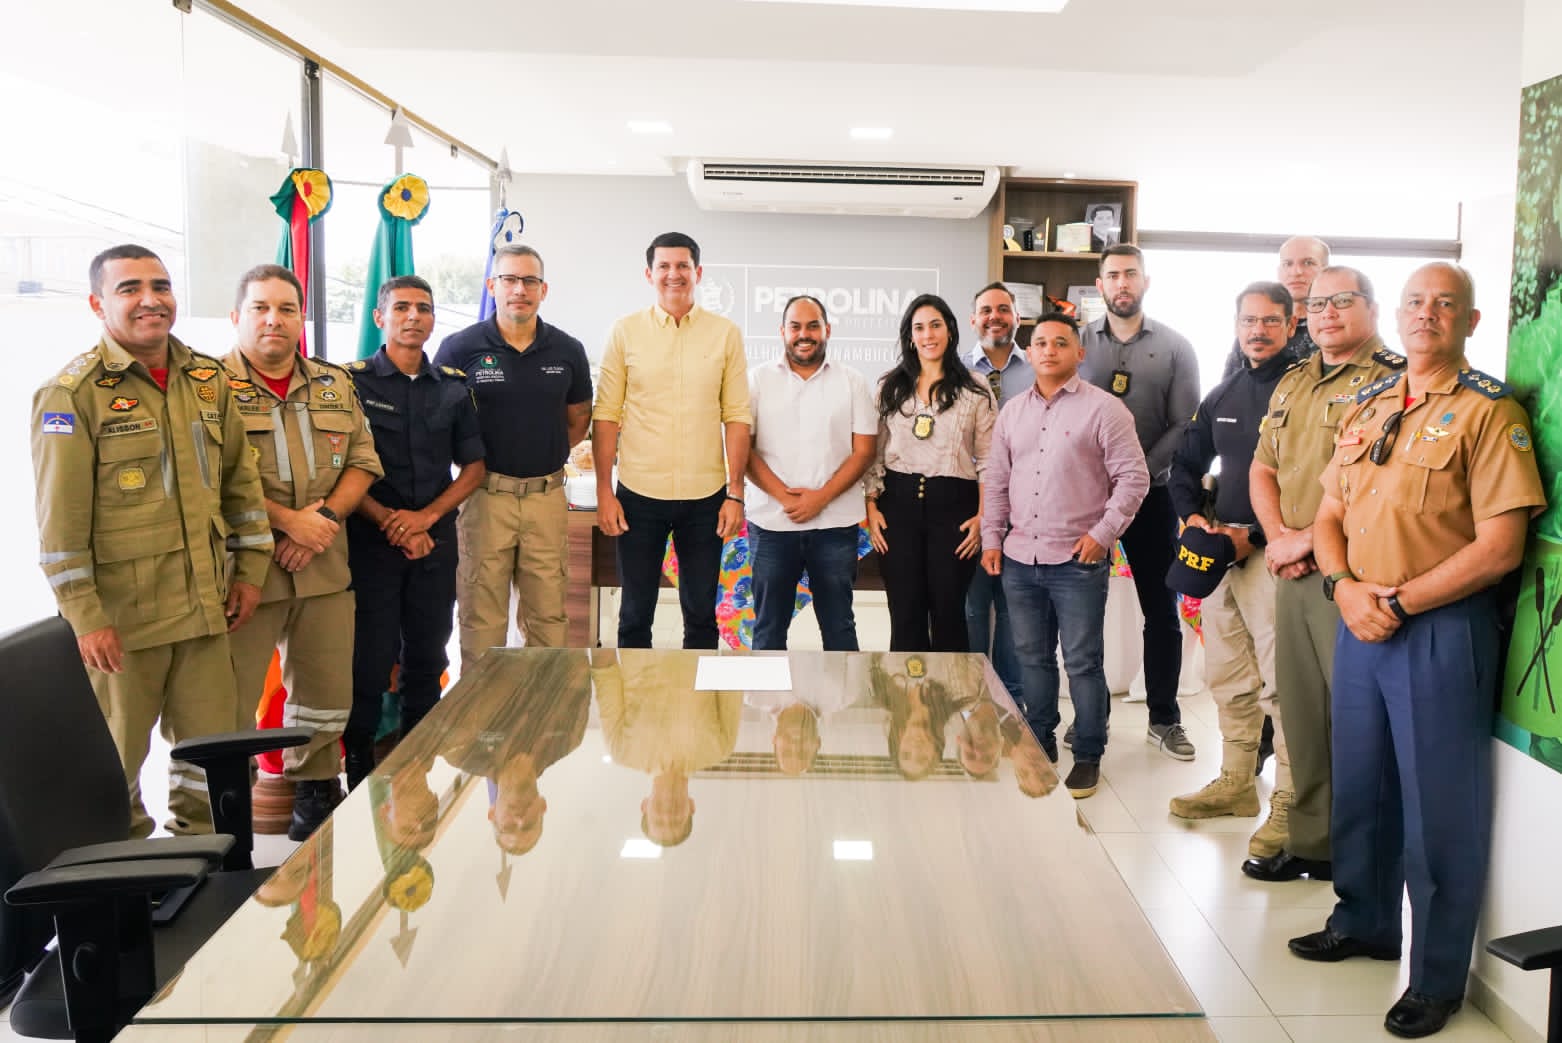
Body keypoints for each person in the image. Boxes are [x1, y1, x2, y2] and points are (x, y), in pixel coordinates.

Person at [1288, 263, 1544, 1040]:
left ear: (1469, 321)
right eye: (1415, 302)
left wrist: (1398, 600)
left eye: (1445, 304)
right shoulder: (1368, 404)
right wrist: (1342, 587)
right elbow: (1327, 514)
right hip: (1359, 617)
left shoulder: (1490, 413)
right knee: (1360, 787)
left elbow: (1501, 547)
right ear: (1396, 317)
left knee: (1440, 811)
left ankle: (1436, 976)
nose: (1427, 314)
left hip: (1438, 627)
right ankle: (1364, 920)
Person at [31, 244, 273, 838]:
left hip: (205, 611)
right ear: (97, 303)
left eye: (160, 286)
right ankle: (129, 890)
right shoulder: (72, 396)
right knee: (113, 767)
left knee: (213, 760)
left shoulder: (209, 380)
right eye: (130, 288)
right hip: (123, 623)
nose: (150, 300)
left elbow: (242, 486)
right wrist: (87, 619)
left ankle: (205, 871)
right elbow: (59, 530)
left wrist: (250, 574)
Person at [1243, 266, 1406, 884]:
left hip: (1353, 570)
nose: (1327, 313)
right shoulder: (1294, 380)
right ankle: (1312, 844)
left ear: (1371, 306)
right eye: (1316, 304)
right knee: (1303, 714)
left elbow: (1383, 485)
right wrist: (1282, 540)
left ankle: (1363, 864)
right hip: (1291, 569)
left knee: (1358, 723)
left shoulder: (1391, 380)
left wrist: (1311, 540)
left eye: (1342, 301)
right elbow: (1263, 468)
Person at [223, 263, 383, 841]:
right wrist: (291, 522)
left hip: (323, 566)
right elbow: (206, 476)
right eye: (261, 308)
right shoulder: (205, 388)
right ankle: (226, 810)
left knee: (323, 691)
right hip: (244, 574)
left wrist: (324, 520)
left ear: (300, 318)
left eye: (287, 309)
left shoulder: (334, 383)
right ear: (237, 316)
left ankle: (315, 790)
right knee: (231, 699)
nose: (275, 320)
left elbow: (364, 459)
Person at [982, 311, 1148, 798]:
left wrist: (1104, 533)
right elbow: (995, 480)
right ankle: (1041, 742)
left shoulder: (1105, 410)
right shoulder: (1012, 411)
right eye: (1040, 343)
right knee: (1031, 659)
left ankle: (1090, 753)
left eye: (1060, 343)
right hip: (1019, 558)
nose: (1049, 350)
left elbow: (1133, 480)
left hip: (1078, 560)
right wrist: (992, 539)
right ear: (1028, 353)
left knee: (1082, 662)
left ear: (1080, 353)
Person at [1165, 282, 1297, 856]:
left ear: (1292, 327)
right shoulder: (1226, 392)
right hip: (1223, 555)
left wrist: (1260, 537)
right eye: (1249, 321)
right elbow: (1185, 462)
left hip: (1279, 558)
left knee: (1283, 688)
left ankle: (1291, 803)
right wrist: (1194, 517)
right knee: (1229, 677)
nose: (1258, 331)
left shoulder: (1306, 393)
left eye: (1271, 321)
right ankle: (1237, 783)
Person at [343, 276, 486, 788]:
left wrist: (424, 521)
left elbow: (473, 468)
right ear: (380, 317)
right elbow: (337, 470)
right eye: (401, 307)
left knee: (428, 655)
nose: (413, 317)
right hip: (370, 542)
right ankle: (357, 763)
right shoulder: (350, 383)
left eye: (423, 309)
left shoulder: (452, 384)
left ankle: (417, 760)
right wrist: (393, 524)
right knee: (370, 659)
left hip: (434, 542)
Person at [433, 245, 592, 667]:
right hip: (486, 498)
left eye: (529, 281)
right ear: (492, 286)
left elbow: (578, 420)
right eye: (509, 279)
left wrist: (546, 452)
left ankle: (542, 722)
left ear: (543, 289)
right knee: (482, 620)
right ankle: (482, 725)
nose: (519, 289)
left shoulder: (567, 350)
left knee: (549, 620)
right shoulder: (459, 348)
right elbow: (439, 425)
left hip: (546, 498)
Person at [593, 233, 752, 649]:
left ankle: (697, 712)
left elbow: (736, 417)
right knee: (633, 616)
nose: (673, 274)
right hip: (638, 497)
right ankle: (634, 712)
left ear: (697, 273)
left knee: (701, 617)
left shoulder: (725, 334)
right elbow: (606, 415)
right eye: (664, 266)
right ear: (649, 274)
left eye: (682, 266)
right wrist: (604, 492)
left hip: (705, 499)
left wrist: (735, 492)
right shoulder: (625, 332)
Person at [1078, 244, 1198, 760]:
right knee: (1082, 612)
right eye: (1112, 275)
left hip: (1154, 497)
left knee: (1161, 611)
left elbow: (1185, 424)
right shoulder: (1077, 344)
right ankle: (1089, 718)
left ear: (1145, 282)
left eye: (1131, 274)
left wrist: (1135, 477)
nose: (1122, 283)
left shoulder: (1175, 347)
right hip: (1085, 501)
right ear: (1099, 285)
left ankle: (1165, 718)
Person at [865, 293, 996, 652]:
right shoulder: (889, 387)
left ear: (951, 331)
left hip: (956, 508)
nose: (928, 335)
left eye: (935, 325)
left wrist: (984, 515)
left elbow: (989, 459)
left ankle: (949, 706)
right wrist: (871, 508)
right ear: (910, 337)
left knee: (949, 612)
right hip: (898, 507)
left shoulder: (975, 388)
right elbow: (873, 455)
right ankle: (908, 707)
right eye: (918, 328)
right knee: (904, 613)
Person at [745, 294, 877, 650]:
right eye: (796, 326)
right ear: (782, 331)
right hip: (773, 524)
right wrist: (785, 497)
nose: (805, 334)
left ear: (827, 330)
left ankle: (841, 708)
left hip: (834, 525)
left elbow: (864, 451)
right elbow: (744, 449)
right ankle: (766, 707)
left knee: (839, 629)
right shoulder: (756, 380)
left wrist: (820, 499)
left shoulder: (852, 381)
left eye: (813, 325)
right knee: (769, 630)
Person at [592, 649, 741, 846]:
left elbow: (605, 670)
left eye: (659, 820)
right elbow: (733, 669)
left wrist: (605, 624)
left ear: (644, 806)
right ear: (692, 807)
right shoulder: (720, 749)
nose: (668, 814)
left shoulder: (621, 752)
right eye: (676, 821)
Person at [964, 283, 1030, 704]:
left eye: (1003, 309)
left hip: (1027, 508)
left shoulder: (1037, 367)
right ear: (973, 320)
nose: (994, 316)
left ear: (1017, 318)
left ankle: (1011, 700)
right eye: (985, 310)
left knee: (1014, 611)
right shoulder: (954, 369)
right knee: (971, 607)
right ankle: (970, 697)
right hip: (969, 507)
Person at [1220, 236, 1329, 378]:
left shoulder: (1334, 327)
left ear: (1326, 271)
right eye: (1287, 264)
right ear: (1279, 271)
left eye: (1308, 263)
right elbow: (1230, 388)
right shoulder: (1253, 329)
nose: (1296, 272)